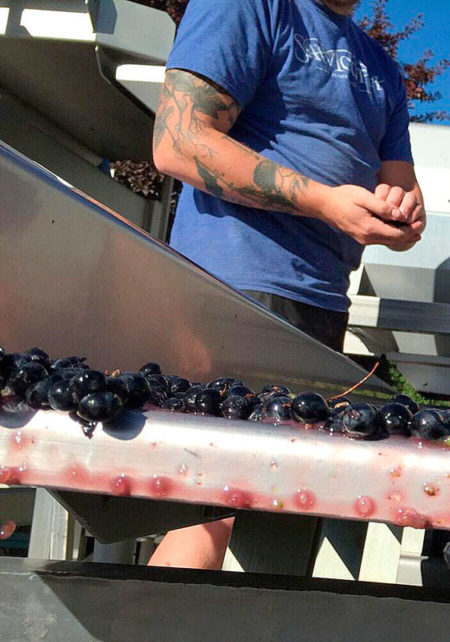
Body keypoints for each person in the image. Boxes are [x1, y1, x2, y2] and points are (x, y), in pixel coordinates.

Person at [148, 0, 424, 569]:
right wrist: (325, 202)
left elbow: (400, 185)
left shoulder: (382, 67)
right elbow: (177, 141)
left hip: (321, 306)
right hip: (228, 288)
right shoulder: (250, 5)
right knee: (208, 505)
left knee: (284, 512)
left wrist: (401, 214)